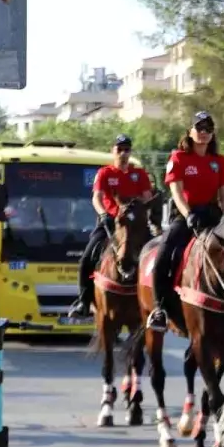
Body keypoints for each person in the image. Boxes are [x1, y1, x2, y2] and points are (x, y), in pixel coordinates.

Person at [147, 111, 224, 330]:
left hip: (213, 216)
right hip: (186, 216)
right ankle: (160, 309)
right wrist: (189, 215)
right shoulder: (178, 157)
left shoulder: (219, 161)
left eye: (208, 128)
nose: (204, 133)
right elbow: (176, 191)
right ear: (190, 131)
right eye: (199, 128)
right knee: (164, 255)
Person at [69, 134, 154, 317]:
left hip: (134, 224)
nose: (123, 153)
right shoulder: (105, 173)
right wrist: (103, 214)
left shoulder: (139, 174)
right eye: (119, 149)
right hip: (110, 222)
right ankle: (83, 301)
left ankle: (158, 303)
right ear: (113, 151)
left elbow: (147, 197)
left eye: (127, 149)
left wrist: (135, 206)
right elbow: (96, 198)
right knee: (87, 259)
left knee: (156, 255)